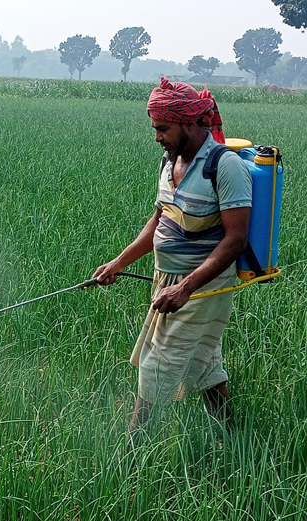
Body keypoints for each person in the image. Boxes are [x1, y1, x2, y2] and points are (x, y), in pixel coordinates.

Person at [94, 77, 252, 437]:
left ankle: (130, 455)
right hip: (168, 280)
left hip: (203, 284)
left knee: (157, 366)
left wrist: (185, 288)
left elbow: (235, 240)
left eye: (163, 128)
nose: (157, 137)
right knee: (203, 360)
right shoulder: (170, 161)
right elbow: (161, 218)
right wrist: (119, 262)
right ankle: (234, 434)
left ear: (189, 122)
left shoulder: (224, 166)